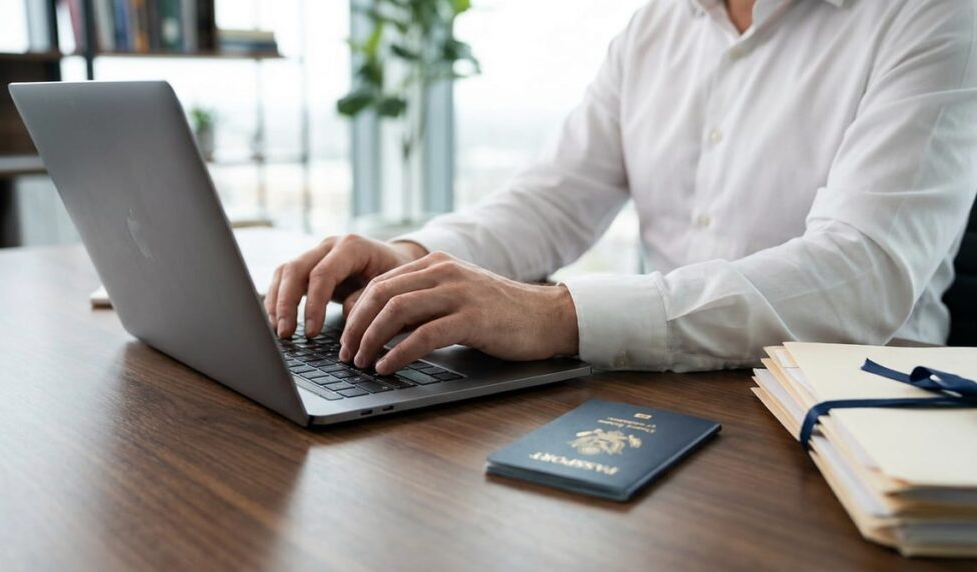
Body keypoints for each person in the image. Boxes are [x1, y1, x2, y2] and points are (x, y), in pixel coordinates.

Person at [265, 0, 977, 375]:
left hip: (859, 420)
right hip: (679, 385)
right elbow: (554, 198)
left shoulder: (930, 13)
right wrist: (412, 256)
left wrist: (556, 314)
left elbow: (862, 274)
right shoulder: (654, 28)